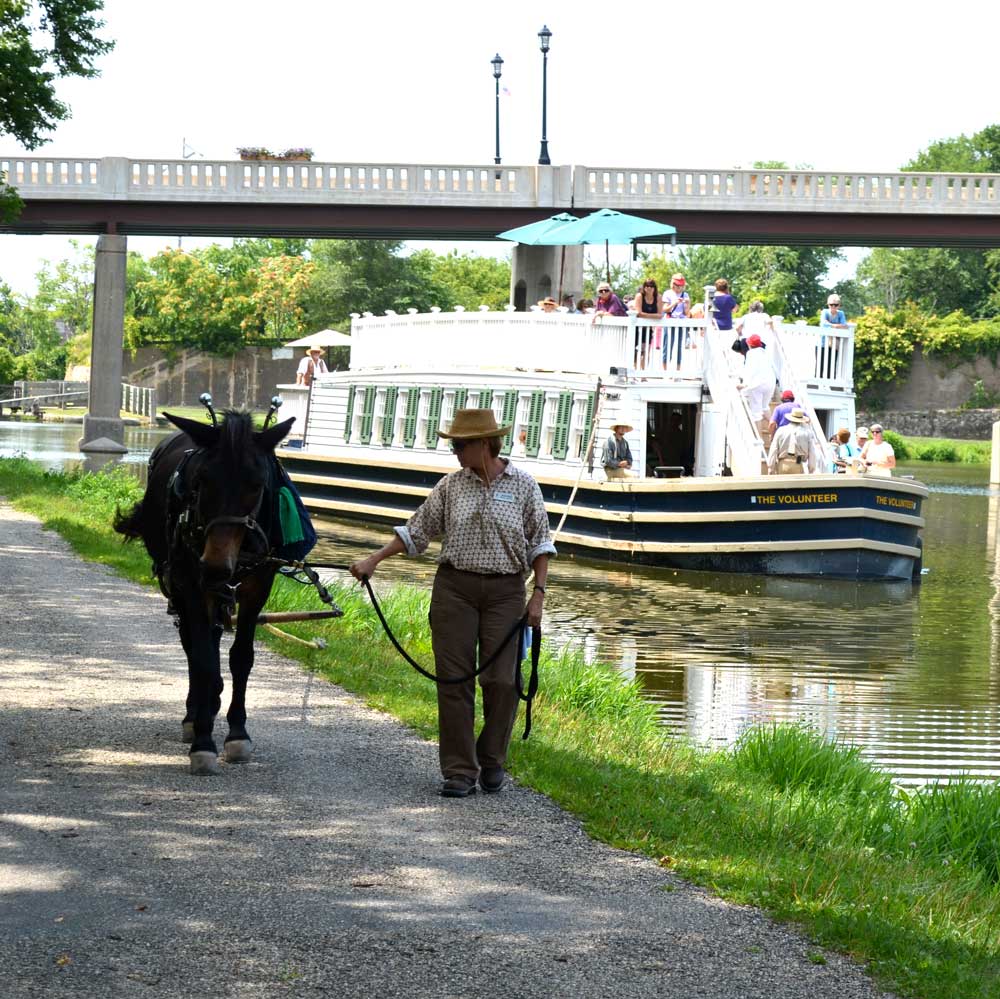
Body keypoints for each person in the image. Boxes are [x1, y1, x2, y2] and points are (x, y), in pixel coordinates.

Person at [348, 409, 556, 798]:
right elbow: (417, 530)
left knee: (503, 681)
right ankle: (460, 771)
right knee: (453, 682)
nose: (455, 452)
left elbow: (540, 543)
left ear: (484, 444)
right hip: (454, 590)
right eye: (453, 445)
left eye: (460, 445)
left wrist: (538, 595)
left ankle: (492, 758)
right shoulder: (451, 486)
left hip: (506, 591)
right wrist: (373, 560)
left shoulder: (524, 486)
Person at [767, 408, 820, 474]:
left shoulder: (781, 430)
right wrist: (811, 469)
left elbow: (774, 450)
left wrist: (771, 468)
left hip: (783, 464)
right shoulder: (807, 433)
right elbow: (812, 453)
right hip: (798, 463)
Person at [740, 334, 776, 430]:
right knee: (764, 407)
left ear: (749, 345)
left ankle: (759, 440)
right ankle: (777, 429)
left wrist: (744, 384)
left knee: (756, 414)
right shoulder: (766, 352)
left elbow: (749, 369)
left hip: (758, 384)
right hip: (770, 383)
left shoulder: (751, 353)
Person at [632, 279, 663, 369]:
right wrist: (653, 316)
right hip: (636, 328)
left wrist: (646, 316)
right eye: (647, 286)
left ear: (654, 288)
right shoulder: (639, 296)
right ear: (644, 287)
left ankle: (643, 373)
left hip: (648, 329)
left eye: (651, 286)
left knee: (645, 351)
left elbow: (660, 315)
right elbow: (638, 313)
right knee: (635, 351)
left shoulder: (658, 297)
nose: (649, 288)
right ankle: (634, 370)